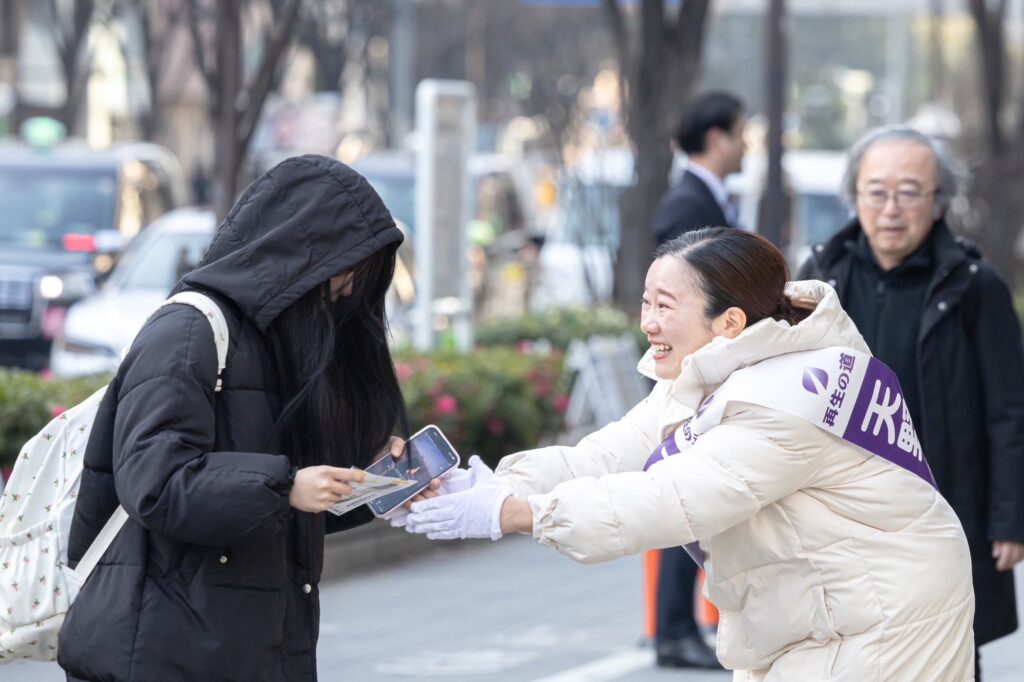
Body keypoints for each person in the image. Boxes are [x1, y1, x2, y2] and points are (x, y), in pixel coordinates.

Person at [401, 227, 976, 680]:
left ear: (729, 322)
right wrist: (493, 486)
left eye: (665, 306)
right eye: (646, 302)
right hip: (821, 611)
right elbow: (605, 455)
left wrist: (513, 516)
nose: (647, 322)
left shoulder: (793, 394)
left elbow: (671, 500)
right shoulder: (719, 368)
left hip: (889, 616)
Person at [58, 155, 411, 680]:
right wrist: (284, 487)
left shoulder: (282, 345)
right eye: (343, 270)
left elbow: (282, 510)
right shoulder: (188, 333)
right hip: (161, 653)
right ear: (295, 254)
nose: (345, 288)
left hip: (246, 648)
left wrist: (373, 481)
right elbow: (154, 482)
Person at [797, 125, 1024, 678]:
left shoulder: (975, 287)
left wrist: (1010, 518)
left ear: (938, 201)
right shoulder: (819, 281)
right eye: (877, 191)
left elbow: (1009, 411)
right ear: (854, 195)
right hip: (840, 521)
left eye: (909, 192)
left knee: (946, 657)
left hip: (944, 516)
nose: (891, 209)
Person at [649, 90, 746, 668]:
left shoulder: (704, 197)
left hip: (706, 370)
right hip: (691, 373)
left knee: (690, 496)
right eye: (741, 131)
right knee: (680, 497)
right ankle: (673, 629)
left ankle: (681, 626)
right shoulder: (687, 205)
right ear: (717, 138)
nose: (746, 143)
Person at [651, 91, 746, 246]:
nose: (745, 145)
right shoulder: (684, 207)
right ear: (716, 140)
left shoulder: (707, 199)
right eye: (740, 134)